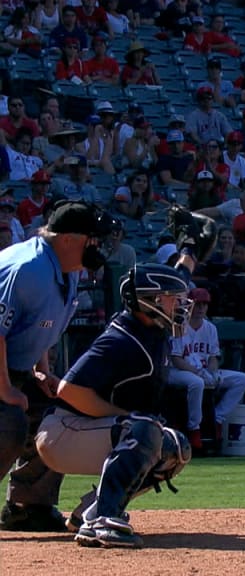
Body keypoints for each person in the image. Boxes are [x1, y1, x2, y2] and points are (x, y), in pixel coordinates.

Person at [33, 259, 201, 547]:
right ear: (151, 301)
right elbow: (68, 389)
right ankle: (103, 521)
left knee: (175, 447)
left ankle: (91, 511)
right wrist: (125, 418)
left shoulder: (152, 329)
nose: (181, 306)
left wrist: (188, 251)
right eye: (173, 299)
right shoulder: (120, 339)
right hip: (62, 432)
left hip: (89, 430)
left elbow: (180, 272)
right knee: (145, 429)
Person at [0, 201, 117, 532]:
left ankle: (28, 505)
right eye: (92, 239)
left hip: (15, 365)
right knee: (8, 422)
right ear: (67, 239)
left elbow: (39, 325)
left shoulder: (65, 269)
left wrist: (43, 371)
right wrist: (6, 388)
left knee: (61, 415)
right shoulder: (29, 268)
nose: (98, 246)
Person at [166, 288, 245, 451]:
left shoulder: (210, 328)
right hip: (176, 372)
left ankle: (217, 418)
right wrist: (199, 373)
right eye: (197, 304)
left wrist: (213, 373)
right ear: (188, 305)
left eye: (204, 304)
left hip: (202, 371)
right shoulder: (178, 325)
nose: (201, 308)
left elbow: (212, 357)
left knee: (242, 379)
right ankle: (194, 429)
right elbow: (176, 360)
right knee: (197, 383)